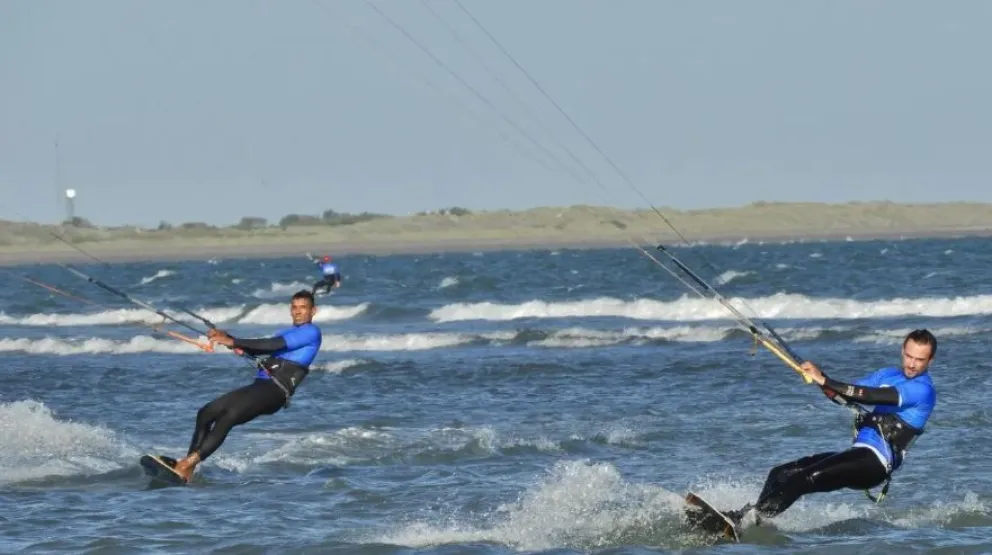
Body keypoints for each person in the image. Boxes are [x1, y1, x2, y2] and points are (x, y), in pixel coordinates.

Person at [725, 329, 938, 527]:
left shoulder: (923, 389)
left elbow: (870, 395)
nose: (912, 364)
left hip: (876, 464)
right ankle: (755, 521)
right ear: (902, 351)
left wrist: (824, 379)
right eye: (909, 356)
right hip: (859, 454)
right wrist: (819, 377)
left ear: (931, 360)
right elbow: (846, 394)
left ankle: (742, 519)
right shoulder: (887, 375)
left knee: (804, 478)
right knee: (781, 473)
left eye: (919, 360)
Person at [170, 290, 323, 483]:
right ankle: (188, 469)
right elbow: (258, 348)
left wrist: (232, 341)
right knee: (206, 413)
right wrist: (226, 337)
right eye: (294, 307)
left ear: (313, 311)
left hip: (275, 390)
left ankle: (185, 465)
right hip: (261, 385)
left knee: (228, 416)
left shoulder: (311, 331)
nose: (298, 311)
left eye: (303, 307)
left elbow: (271, 345)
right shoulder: (286, 332)